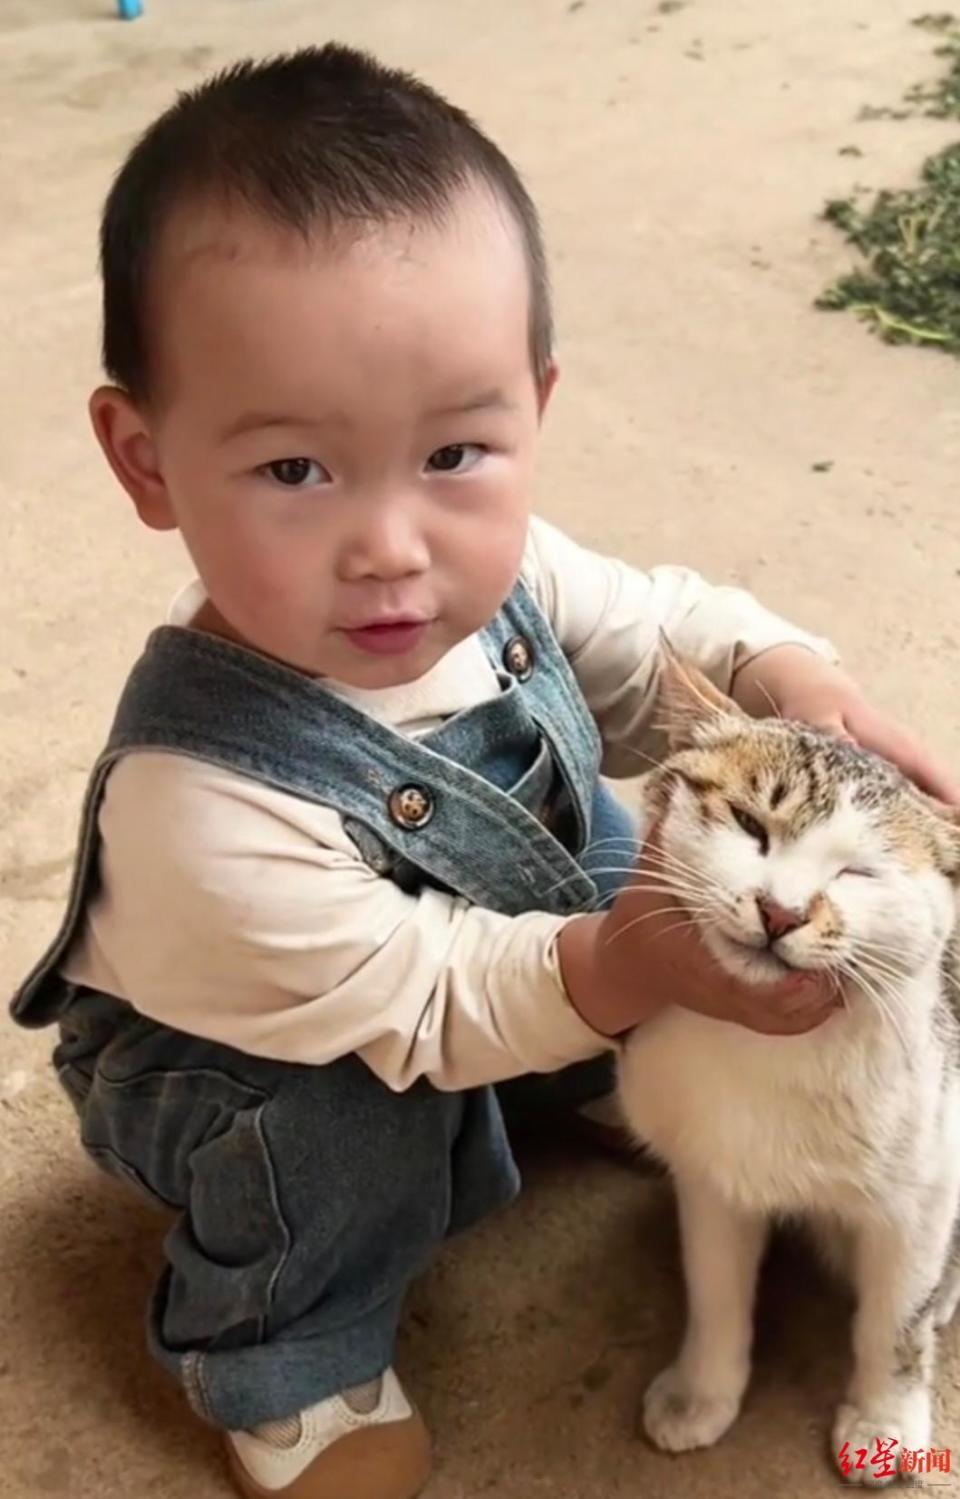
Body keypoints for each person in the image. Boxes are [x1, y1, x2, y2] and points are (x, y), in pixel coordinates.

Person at [10, 43, 957, 1499]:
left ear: (535, 405)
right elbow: (433, 999)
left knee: (620, 859)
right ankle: (285, 1355)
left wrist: (795, 683)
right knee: (344, 1131)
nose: (394, 548)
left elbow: (658, 636)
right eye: (294, 471)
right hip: (267, 1054)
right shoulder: (195, 808)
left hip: (489, 962)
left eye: (455, 451)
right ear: (145, 461)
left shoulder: (508, 575)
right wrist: (629, 975)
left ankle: (562, 1068)